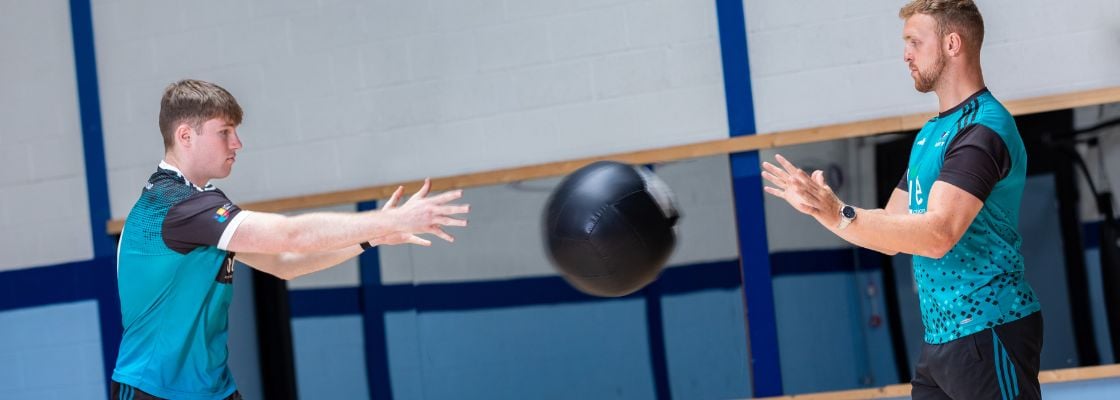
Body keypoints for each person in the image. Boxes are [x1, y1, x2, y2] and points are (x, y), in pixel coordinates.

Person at [111, 79, 470, 399]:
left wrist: (373, 236)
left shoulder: (202, 203)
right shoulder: (175, 204)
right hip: (153, 390)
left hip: (214, 388)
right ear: (186, 135)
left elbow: (284, 265)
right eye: (225, 131)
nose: (238, 143)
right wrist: (389, 217)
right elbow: (291, 236)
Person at [760, 1, 1042, 399]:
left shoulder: (982, 130)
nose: (905, 54)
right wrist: (823, 211)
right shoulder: (931, 134)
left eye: (914, 41)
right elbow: (892, 229)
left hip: (988, 327)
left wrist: (838, 212)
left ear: (952, 44)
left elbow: (938, 234)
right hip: (941, 341)